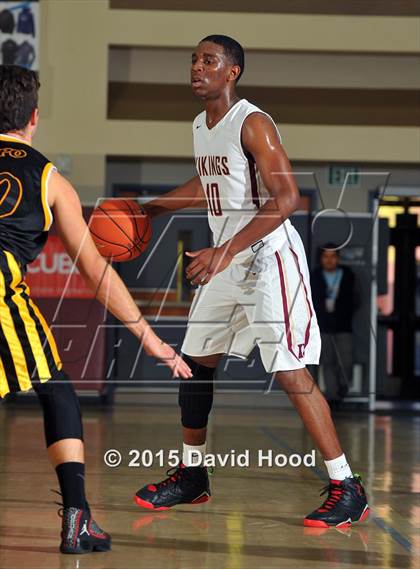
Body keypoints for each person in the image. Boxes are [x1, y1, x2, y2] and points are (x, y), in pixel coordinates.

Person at [134, 35, 369, 528]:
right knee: (195, 364)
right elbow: (208, 183)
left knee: (289, 372)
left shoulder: (253, 122)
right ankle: (193, 476)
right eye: (194, 60)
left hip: (267, 259)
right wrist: (150, 209)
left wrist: (225, 250)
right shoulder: (202, 125)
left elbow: (287, 198)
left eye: (209, 60)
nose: (197, 67)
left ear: (232, 71)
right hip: (228, 259)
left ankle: (347, 486)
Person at [0, 65, 192, 554]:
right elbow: (97, 275)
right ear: (34, 118)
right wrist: (151, 338)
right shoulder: (49, 179)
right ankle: (77, 519)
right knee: (57, 392)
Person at [311, 244, 359, 406]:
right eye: (326, 256)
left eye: (333, 256)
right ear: (321, 259)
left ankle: (342, 389)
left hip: (343, 326)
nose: (329, 260)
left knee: (346, 361)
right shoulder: (315, 276)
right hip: (323, 327)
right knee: (327, 361)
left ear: (338, 258)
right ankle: (332, 397)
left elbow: (357, 299)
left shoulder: (347, 275)